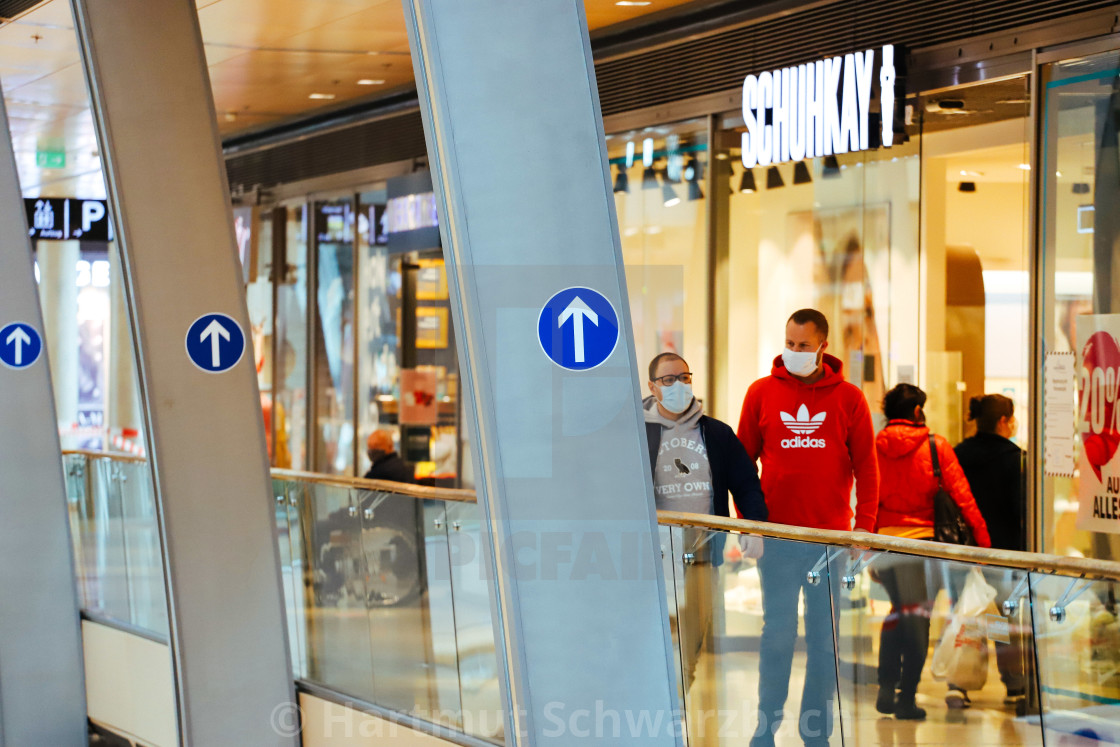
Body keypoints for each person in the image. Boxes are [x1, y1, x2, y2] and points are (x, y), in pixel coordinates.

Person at [737, 309, 879, 747]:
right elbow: (743, 468)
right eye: (789, 343)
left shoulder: (850, 399)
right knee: (776, 634)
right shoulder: (761, 393)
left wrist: (864, 531)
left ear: (823, 345)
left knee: (824, 641)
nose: (794, 352)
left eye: (803, 345)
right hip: (777, 541)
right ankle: (766, 726)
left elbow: (868, 470)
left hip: (830, 542)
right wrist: (749, 527)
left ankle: (816, 731)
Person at [644, 352, 766, 733]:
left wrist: (755, 526)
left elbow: (746, 483)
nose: (677, 385)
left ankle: (671, 715)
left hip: (701, 556)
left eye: (684, 377)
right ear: (651, 387)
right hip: (653, 561)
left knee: (689, 648)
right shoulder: (636, 432)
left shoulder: (716, 433)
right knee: (655, 646)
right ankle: (659, 719)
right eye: (667, 380)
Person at [873, 384, 991, 720]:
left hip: (885, 544)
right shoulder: (935, 446)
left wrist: (865, 546)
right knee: (918, 620)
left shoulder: (874, 447)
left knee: (898, 612)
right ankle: (906, 696)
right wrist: (984, 547)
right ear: (916, 412)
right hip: (924, 546)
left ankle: (885, 685)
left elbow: (868, 496)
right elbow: (964, 498)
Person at [954, 394, 1030, 709]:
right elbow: (1020, 509)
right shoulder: (1016, 458)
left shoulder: (958, 453)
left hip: (962, 551)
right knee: (1001, 620)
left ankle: (959, 683)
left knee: (967, 616)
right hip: (1002, 552)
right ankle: (1012, 683)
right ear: (1003, 421)